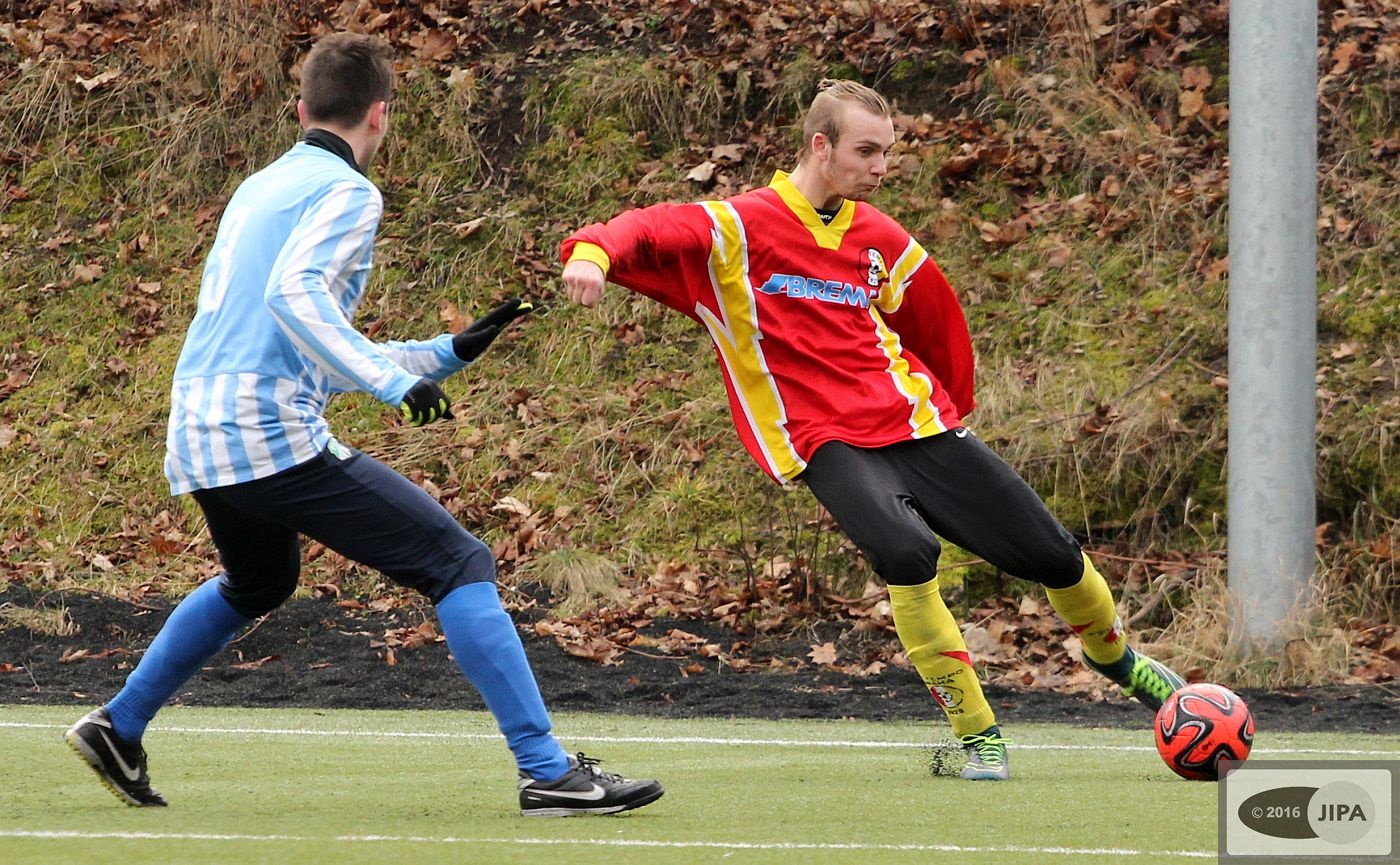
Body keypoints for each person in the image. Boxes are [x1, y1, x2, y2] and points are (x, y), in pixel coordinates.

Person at [65, 32, 663, 817]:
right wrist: (392, 384)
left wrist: (441, 353)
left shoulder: (261, 187)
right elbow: (296, 297)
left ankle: (120, 725)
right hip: (265, 431)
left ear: (301, 110)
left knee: (260, 580)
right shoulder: (349, 193)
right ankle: (546, 769)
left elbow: (292, 336)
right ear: (380, 114)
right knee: (459, 561)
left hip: (200, 427)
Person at [559, 79, 1184, 781]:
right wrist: (591, 253)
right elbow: (647, 227)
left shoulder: (878, 236)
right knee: (906, 551)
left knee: (1055, 555)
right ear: (820, 147)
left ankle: (1119, 661)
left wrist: (952, 405)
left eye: (887, 152)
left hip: (916, 422)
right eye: (867, 151)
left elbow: (932, 316)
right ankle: (979, 737)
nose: (881, 167)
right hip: (822, 437)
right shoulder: (736, 227)